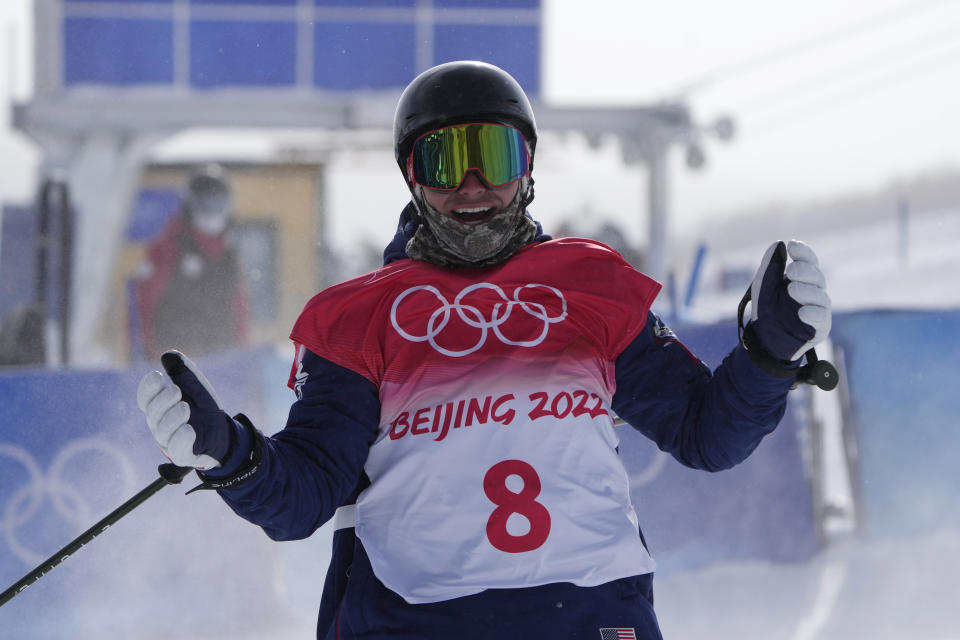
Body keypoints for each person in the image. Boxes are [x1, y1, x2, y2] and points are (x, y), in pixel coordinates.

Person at [136, 61, 831, 639]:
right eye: (444, 161)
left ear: (527, 166)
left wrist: (769, 350)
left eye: (494, 157)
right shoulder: (358, 317)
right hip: (420, 623)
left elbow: (706, 433)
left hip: (589, 616)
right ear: (413, 175)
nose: (473, 187)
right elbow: (303, 499)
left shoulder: (590, 284)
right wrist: (233, 457)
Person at [133, 163, 248, 360]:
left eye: (218, 204)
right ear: (190, 205)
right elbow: (144, 301)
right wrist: (150, 353)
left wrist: (242, 354)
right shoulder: (169, 247)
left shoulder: (229, 253)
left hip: (222, 362)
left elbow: (240, 307)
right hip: (175, 363)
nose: (212, 213)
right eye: (205, 204)